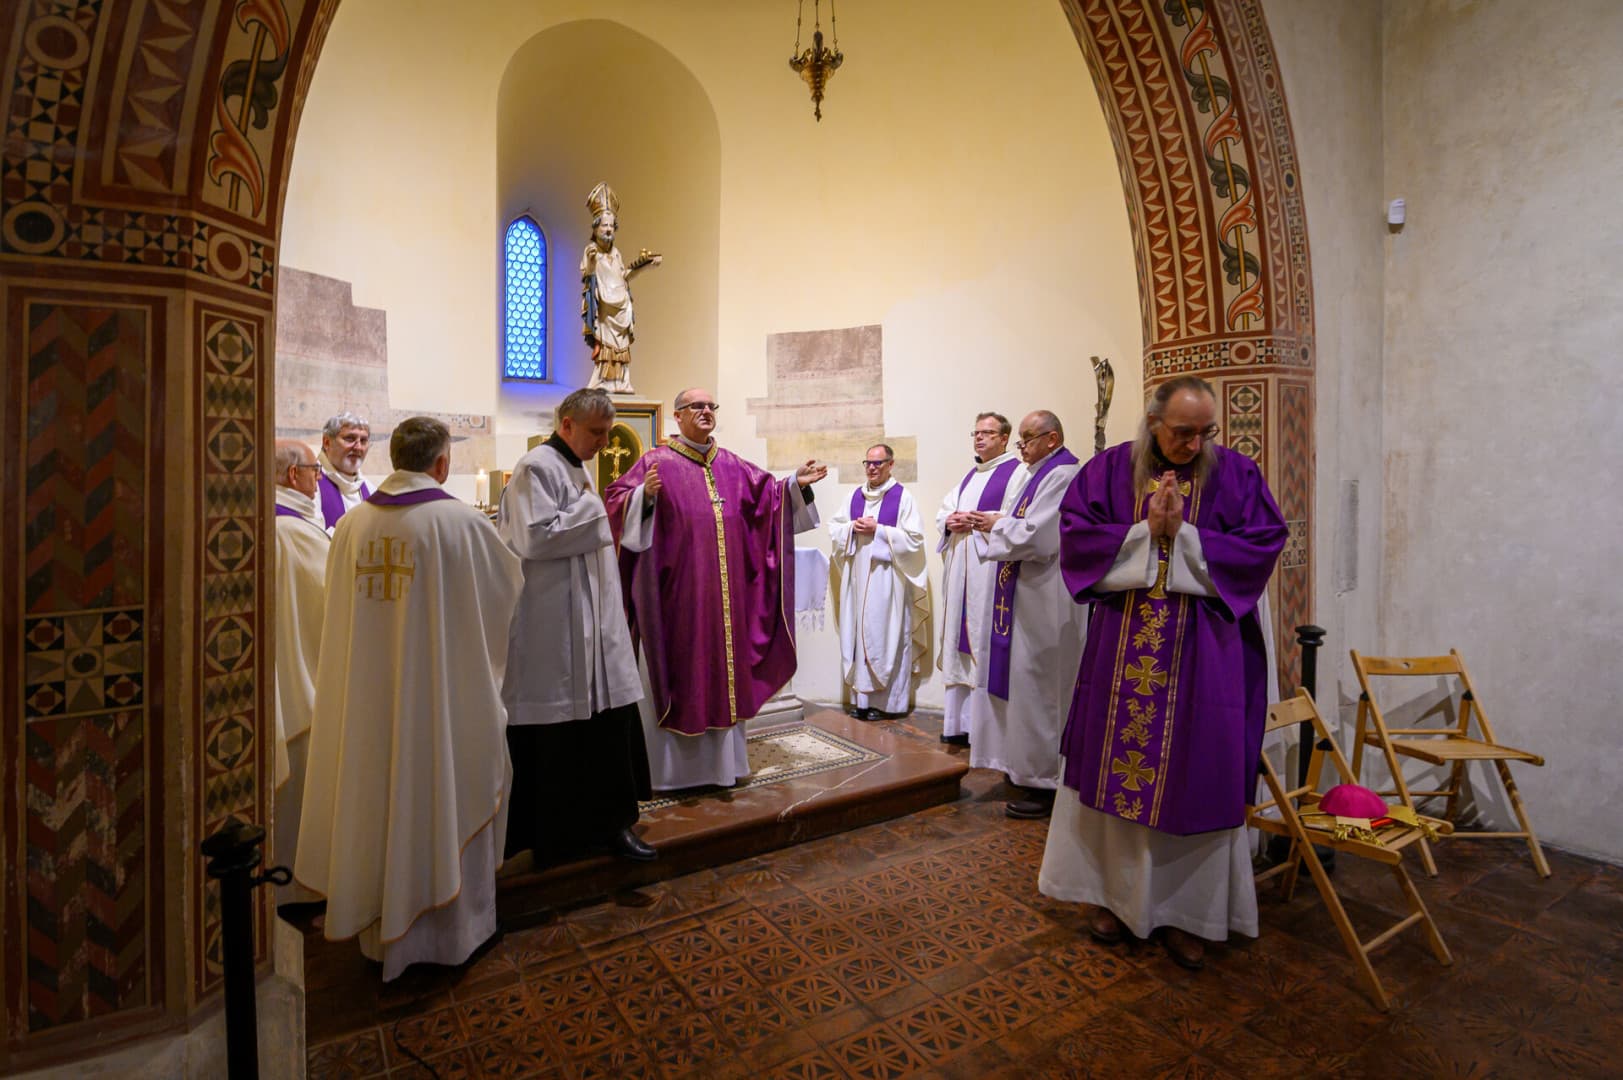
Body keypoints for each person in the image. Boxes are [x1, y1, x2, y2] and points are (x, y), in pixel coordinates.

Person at [1040, 375, 1286, 970]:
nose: (1194, 445)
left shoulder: (1237, 474)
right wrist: (1143, 533)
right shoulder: (1107, 471)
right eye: (1182, 432)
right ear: (1153, 422)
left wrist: (1189, 538)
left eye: (1206, 433)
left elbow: (1262, 544)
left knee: (1197, 776)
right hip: (1121, 656)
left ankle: (1189, 914)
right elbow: (1076, 540)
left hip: (1206, 661)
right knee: (1110, 774)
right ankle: (1115, 901)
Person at [296, 417, 523, 981]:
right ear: (442, 464)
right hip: (440, 705)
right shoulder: (461, 522)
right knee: (442, 789)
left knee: (378, 794)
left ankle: (379, 923)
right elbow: (503, 597)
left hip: (370, 703)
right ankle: (450, 935)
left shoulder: (351, 527)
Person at [605, 388, 826, 790]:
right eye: (697, 407)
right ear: (677, 416)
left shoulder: (733, 466)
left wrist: (795, 483)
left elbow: (768, 498)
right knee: (681, 671)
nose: (706, 412)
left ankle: (724, 768)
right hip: (678, 600)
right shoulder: (655, 462)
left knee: (724, 675)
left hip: (727, 603)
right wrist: (643, 497)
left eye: (711, 407)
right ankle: (672, 775)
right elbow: (615, 501)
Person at [498, 388, 656, 866]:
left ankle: (612, 825)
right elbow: (534, 538)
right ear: (566, 424)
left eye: (608, 433)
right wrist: (597, 508)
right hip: (554, 626)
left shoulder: (574, 465)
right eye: (596, 432)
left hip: (591, 623)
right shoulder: (536, 467)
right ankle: (555, 838)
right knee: (555, 736)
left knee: (607, 724)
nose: (604, 443)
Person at [967, 411, 1087, 819]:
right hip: (1024, 595)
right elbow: (1021, 524)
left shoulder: (1063, 474)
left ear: (1052, 438)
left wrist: (993, 525)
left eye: (1027, 439)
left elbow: (1040, 536)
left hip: (1047, 599)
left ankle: (1045, 782)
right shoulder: (1035, 473)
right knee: (1022, 683)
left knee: (1042, 687)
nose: (1021, 447)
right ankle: (1022, 767)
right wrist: (998, 524)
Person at [935, 412, 1025, 745]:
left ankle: (983, 729)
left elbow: (1019, 518)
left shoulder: (1016, 472)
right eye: (976, 432)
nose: (979, 438)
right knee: (959, 643)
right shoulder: (971, 475)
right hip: (961, 570)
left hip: (988, 572)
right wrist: (950, 520)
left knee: (982, 637)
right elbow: (944, 510)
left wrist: (987, 520)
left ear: (1004, 438)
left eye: (987, 433)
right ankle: (958, 724)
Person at [828, 444, 932, 721]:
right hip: (857, 577)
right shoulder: (853, 496)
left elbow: (914, 540)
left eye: (878, 463)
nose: (872, 468)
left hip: (888, 581)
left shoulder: (903, 497)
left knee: (887, 636)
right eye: (868, 463)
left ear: (890, 464)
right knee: (858, 634)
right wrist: (851, 528)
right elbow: (835, 527)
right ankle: (861, 701)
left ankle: (889, 704)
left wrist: (880, 531)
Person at [271, 439, 327, 905]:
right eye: (314, 470)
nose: (318, 479)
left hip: (275, 685)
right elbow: (337, 606)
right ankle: (303, 892)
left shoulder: (255, 524)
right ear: (294, 476)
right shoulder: (299, 534)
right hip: (307, 681)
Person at [580, 181, 661, 395]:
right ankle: (603, 382)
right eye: (603, 225)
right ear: (595, 228)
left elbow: (623, 277)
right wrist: (590, 262)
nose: (607, 229)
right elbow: (587, 275)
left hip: (622, 306)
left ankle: (622, 383)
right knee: (607, 348)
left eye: (611, 225)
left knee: (621, 348)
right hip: (606, 310)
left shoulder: (616, 254)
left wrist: (644, 266)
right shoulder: (591, 250)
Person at [315, 411, 372, 529]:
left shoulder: (371, 490)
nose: (358, 447)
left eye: (363, 440)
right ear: (327, 442)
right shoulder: (312, 483)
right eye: (350, 439)